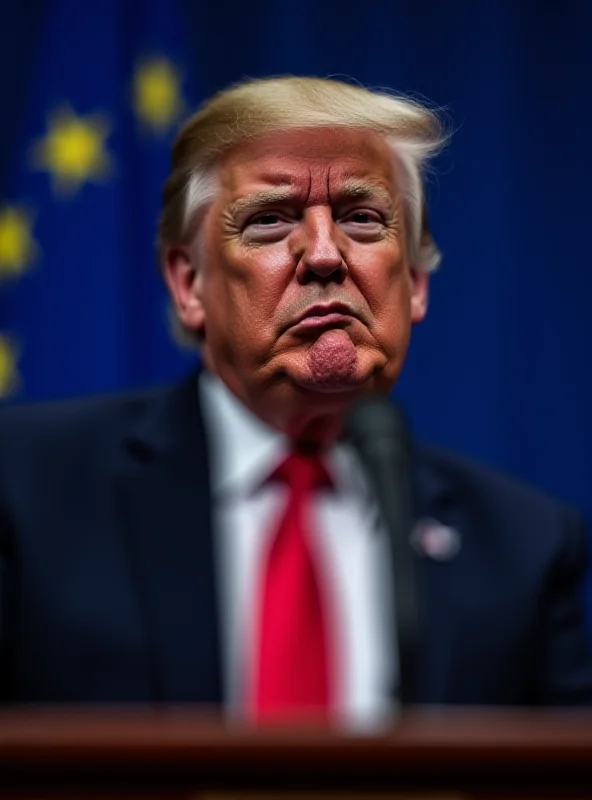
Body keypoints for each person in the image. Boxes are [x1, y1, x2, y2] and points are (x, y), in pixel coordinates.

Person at [1, 76, 591, 720]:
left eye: (362, 219)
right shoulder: (26, 492)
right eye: (269, 220)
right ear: (189, 283)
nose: (323, 254)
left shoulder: (523, 548)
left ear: (416, 283)